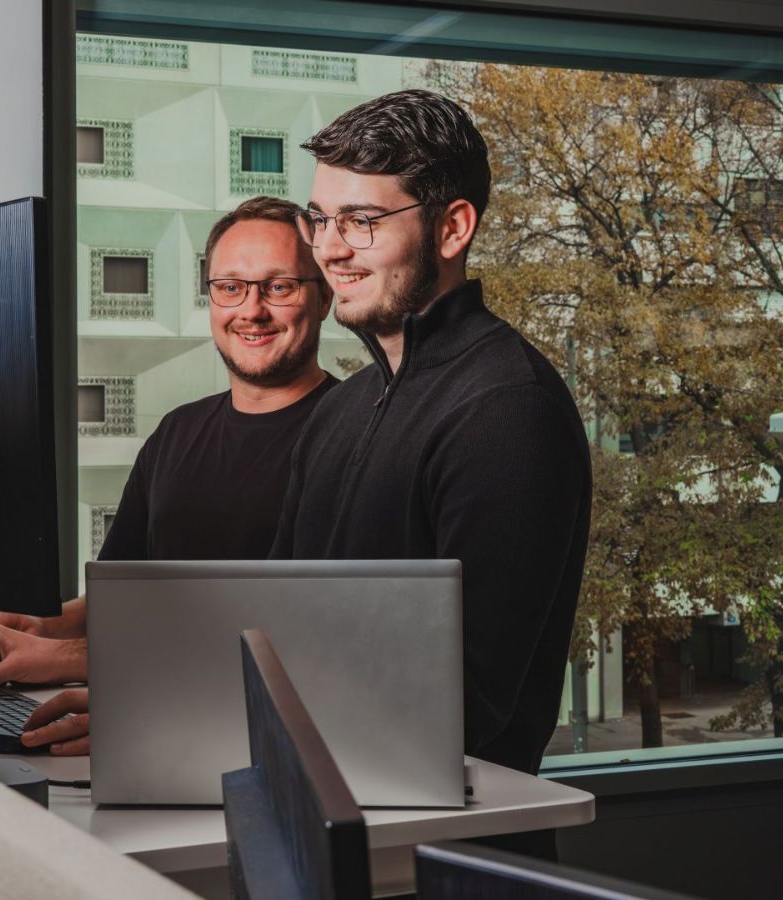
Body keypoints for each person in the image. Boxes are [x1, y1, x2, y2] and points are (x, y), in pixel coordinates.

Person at [0, 195, 336, 752]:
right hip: (165, 720)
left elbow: (309, 640)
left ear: (326, 296)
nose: (252, 310)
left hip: (252, 743)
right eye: (230, 287)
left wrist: (78, 660)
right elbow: (132, 591)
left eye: (279, 286)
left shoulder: (354, 438)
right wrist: (45, 626)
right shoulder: (177, 432)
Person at [273, 89, 593, 783]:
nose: (328, 249)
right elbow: (273, 630)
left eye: (360, 221)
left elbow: (464, 707)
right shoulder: (340, 409)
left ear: (452, 230)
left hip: (446, 859)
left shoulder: (509, 413)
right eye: (320, 219)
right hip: (328, 818)